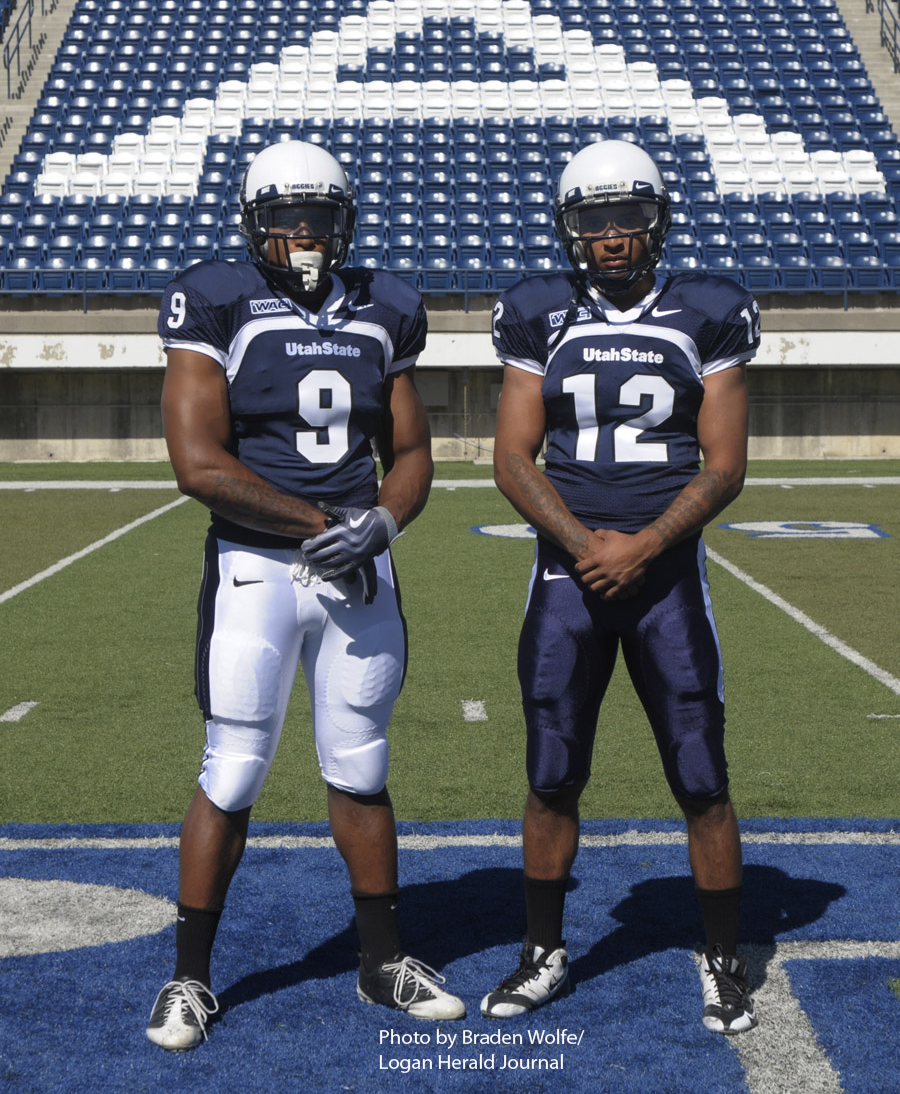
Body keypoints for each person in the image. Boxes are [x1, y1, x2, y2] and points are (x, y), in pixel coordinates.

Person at [147, 140, 465, 1051]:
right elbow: (197, 463)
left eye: (320, 216)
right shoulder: (214, 300)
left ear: (345, 219)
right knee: (234, 766)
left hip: (359, 573)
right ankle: (191, 977)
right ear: (255, 222)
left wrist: (384, 524)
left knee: (361, 762)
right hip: (258, 571)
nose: (304, 233)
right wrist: (323, 523)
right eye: (287, 216)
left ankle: (382, 962)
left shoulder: (385, 305)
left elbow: (411, 455)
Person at [481, 140, 760, 1033]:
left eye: (625, 216)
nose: (609, 236)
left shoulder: (706, 311)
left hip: (667, 574)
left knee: (700, 771)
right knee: (552, 768)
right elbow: (511, 458)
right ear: (571, 229)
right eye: (592, 220)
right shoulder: (536, 313)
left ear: (656, 218)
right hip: (569, 576)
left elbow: (725, 466)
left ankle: (723, 959)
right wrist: (583, 543)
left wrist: (642, 545)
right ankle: (543, 952)